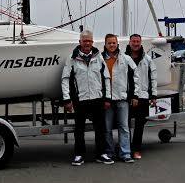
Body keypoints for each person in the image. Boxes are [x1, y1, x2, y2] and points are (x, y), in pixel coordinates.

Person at [61, 30, 113, 166]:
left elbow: (106, 77)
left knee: (100, 128)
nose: (87, 43)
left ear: (92, 42)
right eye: (85, 41)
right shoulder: (72, 59)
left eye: (89, 41)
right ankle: (79, 154)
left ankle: (101, 154)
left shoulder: (99, 57)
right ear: (80, 42)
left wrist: (107, 98)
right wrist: (67, 100)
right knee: (79, 129)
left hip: (97, 98)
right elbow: (65, 79)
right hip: (80, 99)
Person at [102, 33, 138, 163]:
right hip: (107, 100)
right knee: (107, 128)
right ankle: (109, 153)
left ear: (117, 44)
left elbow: (135, 78)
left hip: (122, 98)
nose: (112, 45)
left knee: (124, 127)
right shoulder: (100, 59)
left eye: (114, 43)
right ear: (105, 44)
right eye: (109, 43)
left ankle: (125, 153)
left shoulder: (126, 59)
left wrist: (134, 95)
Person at [126, 33, 157, 160]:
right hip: (127, 96)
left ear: (140, 43)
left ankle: (136, 149)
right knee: (125, 124)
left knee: (139, 125)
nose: (135, 44)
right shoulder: (123, 58)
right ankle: (126, 149)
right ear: (129, 42)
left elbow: (153, 78)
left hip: (143, 96)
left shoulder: (148, 59)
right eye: (133, 41)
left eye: (137, 41)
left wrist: (153, 95)